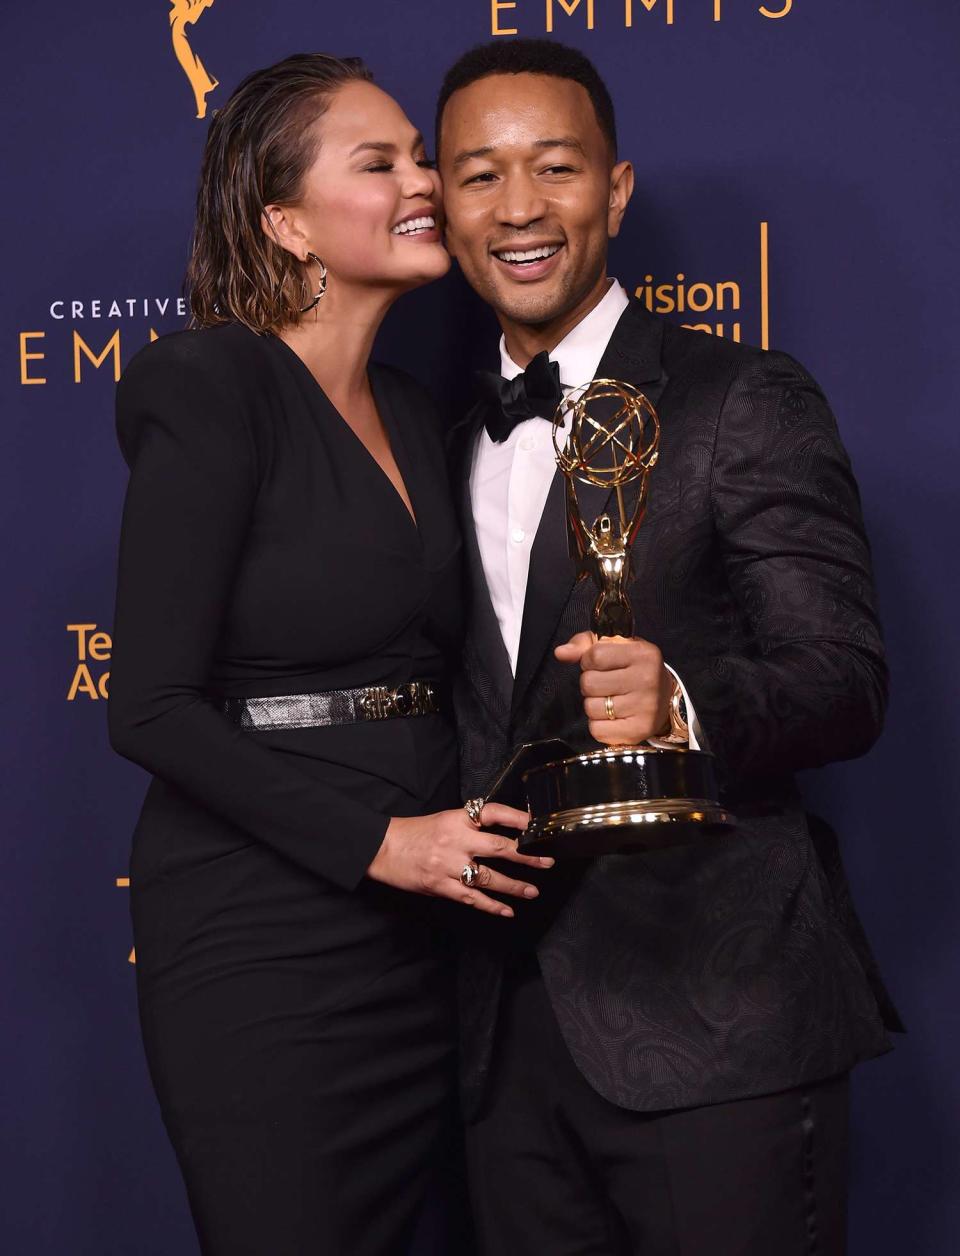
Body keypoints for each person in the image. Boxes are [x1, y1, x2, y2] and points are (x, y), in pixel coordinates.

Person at [437, 38, 902, 1255]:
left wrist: (683, 697)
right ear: (439, 201)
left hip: (720, 1019)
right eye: (481, 176)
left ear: (619, 189)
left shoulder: (744, 397)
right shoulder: (429, 443)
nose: (521, 208)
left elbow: (845, 680)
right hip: (501, 1037)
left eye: (556, 169)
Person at [108, 53, 540, 1256]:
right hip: (266, 942)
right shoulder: (207, 385)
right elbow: (146, 707)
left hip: (428, 940)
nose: (425, 181)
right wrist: (379, 845)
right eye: (381, 161)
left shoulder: (414, 407)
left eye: (419, 156)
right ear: (286, 221)